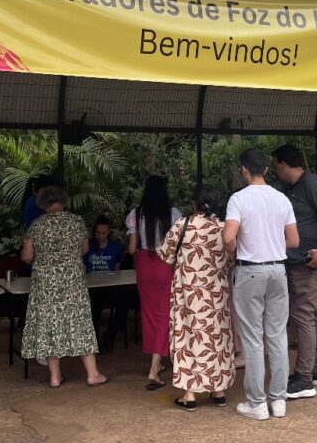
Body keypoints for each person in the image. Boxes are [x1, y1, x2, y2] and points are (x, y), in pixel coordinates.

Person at [223, 148, 299, 420]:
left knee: (253, 339)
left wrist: (234, 250)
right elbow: (294, 241)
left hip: (250, 272)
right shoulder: (282, 199)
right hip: (278, 270)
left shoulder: (238, 199)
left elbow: (228, 236)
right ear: (266, 169)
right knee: (277, 335)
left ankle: (256, 402)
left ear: (244, 170)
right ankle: (278, 400)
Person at [20, 185, 109, 388]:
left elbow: (27, 256)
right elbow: (84, 249)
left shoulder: (36, 225)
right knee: (80, 323)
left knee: (51, 325)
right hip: (72, 282)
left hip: (45, 284)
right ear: (64, 201)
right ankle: (93, 374)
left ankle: (55, 376)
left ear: (44, 203)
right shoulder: (76, 221)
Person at [157, 187, 235, 411]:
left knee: (188, 338)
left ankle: (189, 394)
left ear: (194, 204)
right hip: (216, 295)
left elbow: (165, 255)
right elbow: (232, 259)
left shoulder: (182, 225)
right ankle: (218, 391)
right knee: (216, 339)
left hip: (187, 293)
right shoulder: (223, 228)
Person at [272, 145, 317, 401]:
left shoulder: (311, 182)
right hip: (300, 261)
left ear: (283, 164)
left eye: (276, 165)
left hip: (309, 261)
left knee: (302, 314)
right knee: (311, 314)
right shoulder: (293, 188)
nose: (276, 170)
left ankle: (303, 378)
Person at [126, 176, 181, 389]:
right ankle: (154, 369)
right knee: (165, 315)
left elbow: (131, 249)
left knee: (149, 316)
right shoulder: (174, 214)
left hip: (145, 266)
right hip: (165, 265)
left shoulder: (136, 214)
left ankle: (156, 363)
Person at [84, 215, 129, 350]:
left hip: (109, 287)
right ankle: (94, 341)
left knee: (124, 304)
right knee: (94, 309)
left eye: (103, 233)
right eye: (98, 233)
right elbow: (84, 268)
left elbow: (117, 270)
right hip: (92, 288)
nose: (100, 236)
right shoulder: (89, 247)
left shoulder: (115, 247)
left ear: (108, 232)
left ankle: (110, 334)